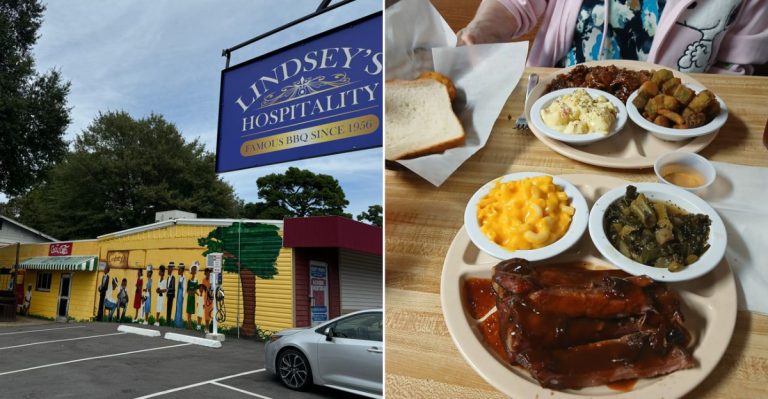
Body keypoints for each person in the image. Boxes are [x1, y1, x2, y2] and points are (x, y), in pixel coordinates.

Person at [457, 0, 768, 74]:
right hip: (555, 101)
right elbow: (514, 4)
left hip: (670, 131)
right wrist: (482, 30)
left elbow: (736, 68)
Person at [186, 263, 199, 329]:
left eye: (194, 270)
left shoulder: (196, 280)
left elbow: (196, 289)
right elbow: (187, 290)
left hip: (193, 297)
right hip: (189, 297)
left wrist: (197, 294)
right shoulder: (189, 280)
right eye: (192, 270)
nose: (193, 271)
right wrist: (190, 292)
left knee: (191, 311)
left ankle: (190, 325)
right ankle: (189, 324)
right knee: (189, 311)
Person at [174, 263, 186, 328]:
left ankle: (178, 323)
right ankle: (176, 322)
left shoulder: (184, 278)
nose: (178, 271)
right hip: (178, 294)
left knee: (179, 308)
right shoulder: (179, 278)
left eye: (179, 269)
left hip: (181, 295)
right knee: (177, 308)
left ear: (181, 270)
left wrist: (182, 297)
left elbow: (184, 288)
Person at [201, 268, 213, 333]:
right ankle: (206, 327)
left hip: (210, 299)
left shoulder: (212, 280)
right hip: (206, 299)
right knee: (206, 314)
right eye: (206, 273)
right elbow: (203, 290)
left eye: (208, 273)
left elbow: (212, 289)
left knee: (209, 313)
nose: (207, 274)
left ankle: (208, 327)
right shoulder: (204, 280)